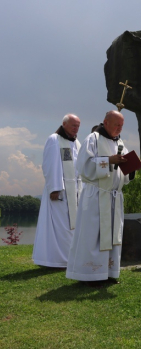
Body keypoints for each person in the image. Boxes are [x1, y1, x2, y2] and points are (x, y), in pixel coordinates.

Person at [66, 111, 133, 285]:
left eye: (122, 125)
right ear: (105, 122)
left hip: (114, 197)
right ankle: (90, 274)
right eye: (116, 125)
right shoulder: (93, 139)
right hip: (96, 195)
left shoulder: (120, 141)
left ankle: (109, 272)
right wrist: (109, 160)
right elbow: (84, 166)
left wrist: (132, 166)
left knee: (112, 235)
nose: (119, 128)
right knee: (92, 235)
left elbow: (124, 171)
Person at [33, 114, 82, 268]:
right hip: (60, 192)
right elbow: (50, 164)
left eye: (78, 126)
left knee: (72, 225)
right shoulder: (54, 139)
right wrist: (55, 188)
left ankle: (70, 257)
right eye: (73, 125)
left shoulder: (76, 143)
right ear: (64, 124)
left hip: (75, 191)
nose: (76, 129)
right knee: (60, 226)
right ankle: (56, 259)